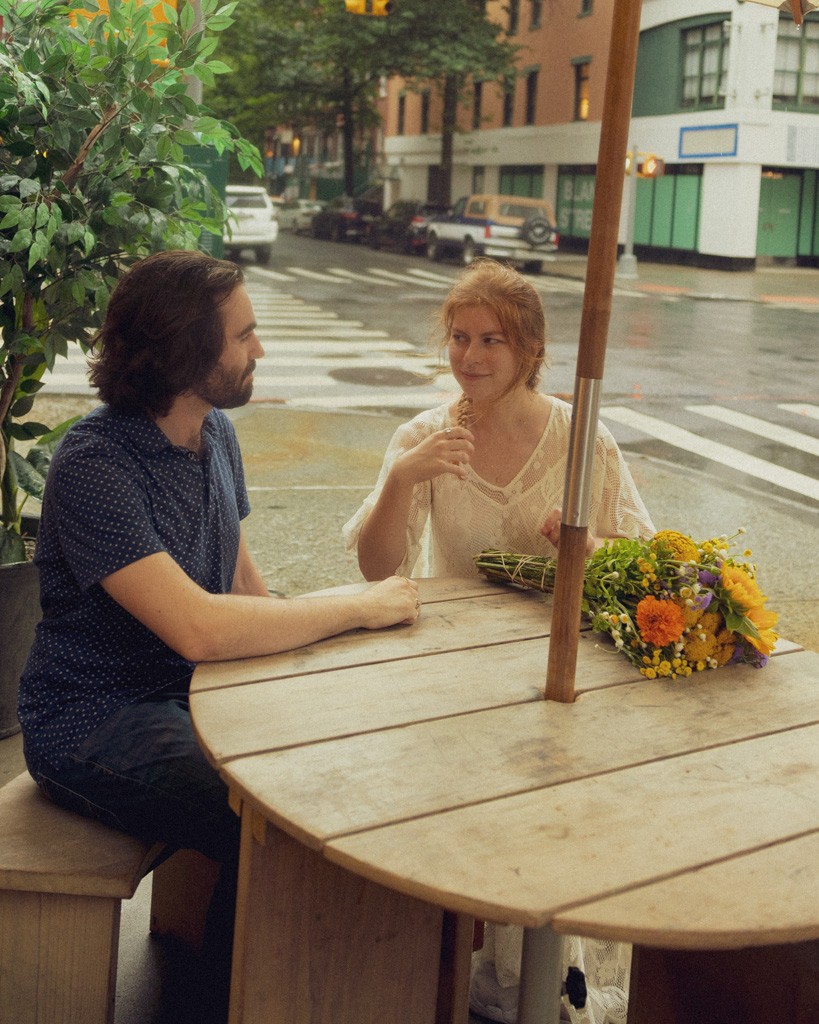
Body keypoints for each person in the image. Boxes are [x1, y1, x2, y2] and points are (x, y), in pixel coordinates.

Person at [17, 249, 420, 1019]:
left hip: (192, 699)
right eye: (243, 336)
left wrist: (309, 684)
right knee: (271, 819)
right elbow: (200, 628)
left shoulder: (215, 436)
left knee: (349, 761)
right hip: (93, 719)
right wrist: (353, 605)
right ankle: (231, 1004)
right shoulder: (95, 462)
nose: (258, 350)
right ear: (182, 348)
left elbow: (242, 587)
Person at [343, 259, 654, 1024]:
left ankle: (545, 980)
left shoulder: (581, 438)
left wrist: (582, 544)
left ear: (529, 352)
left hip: (558, 669)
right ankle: (462, 970)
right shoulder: (423, 436)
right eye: (458, 337)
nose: (470, 357)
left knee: (553, 828)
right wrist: (399, 481)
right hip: (451, 673)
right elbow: (378, 568)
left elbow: (642, 560)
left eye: (491, 341)